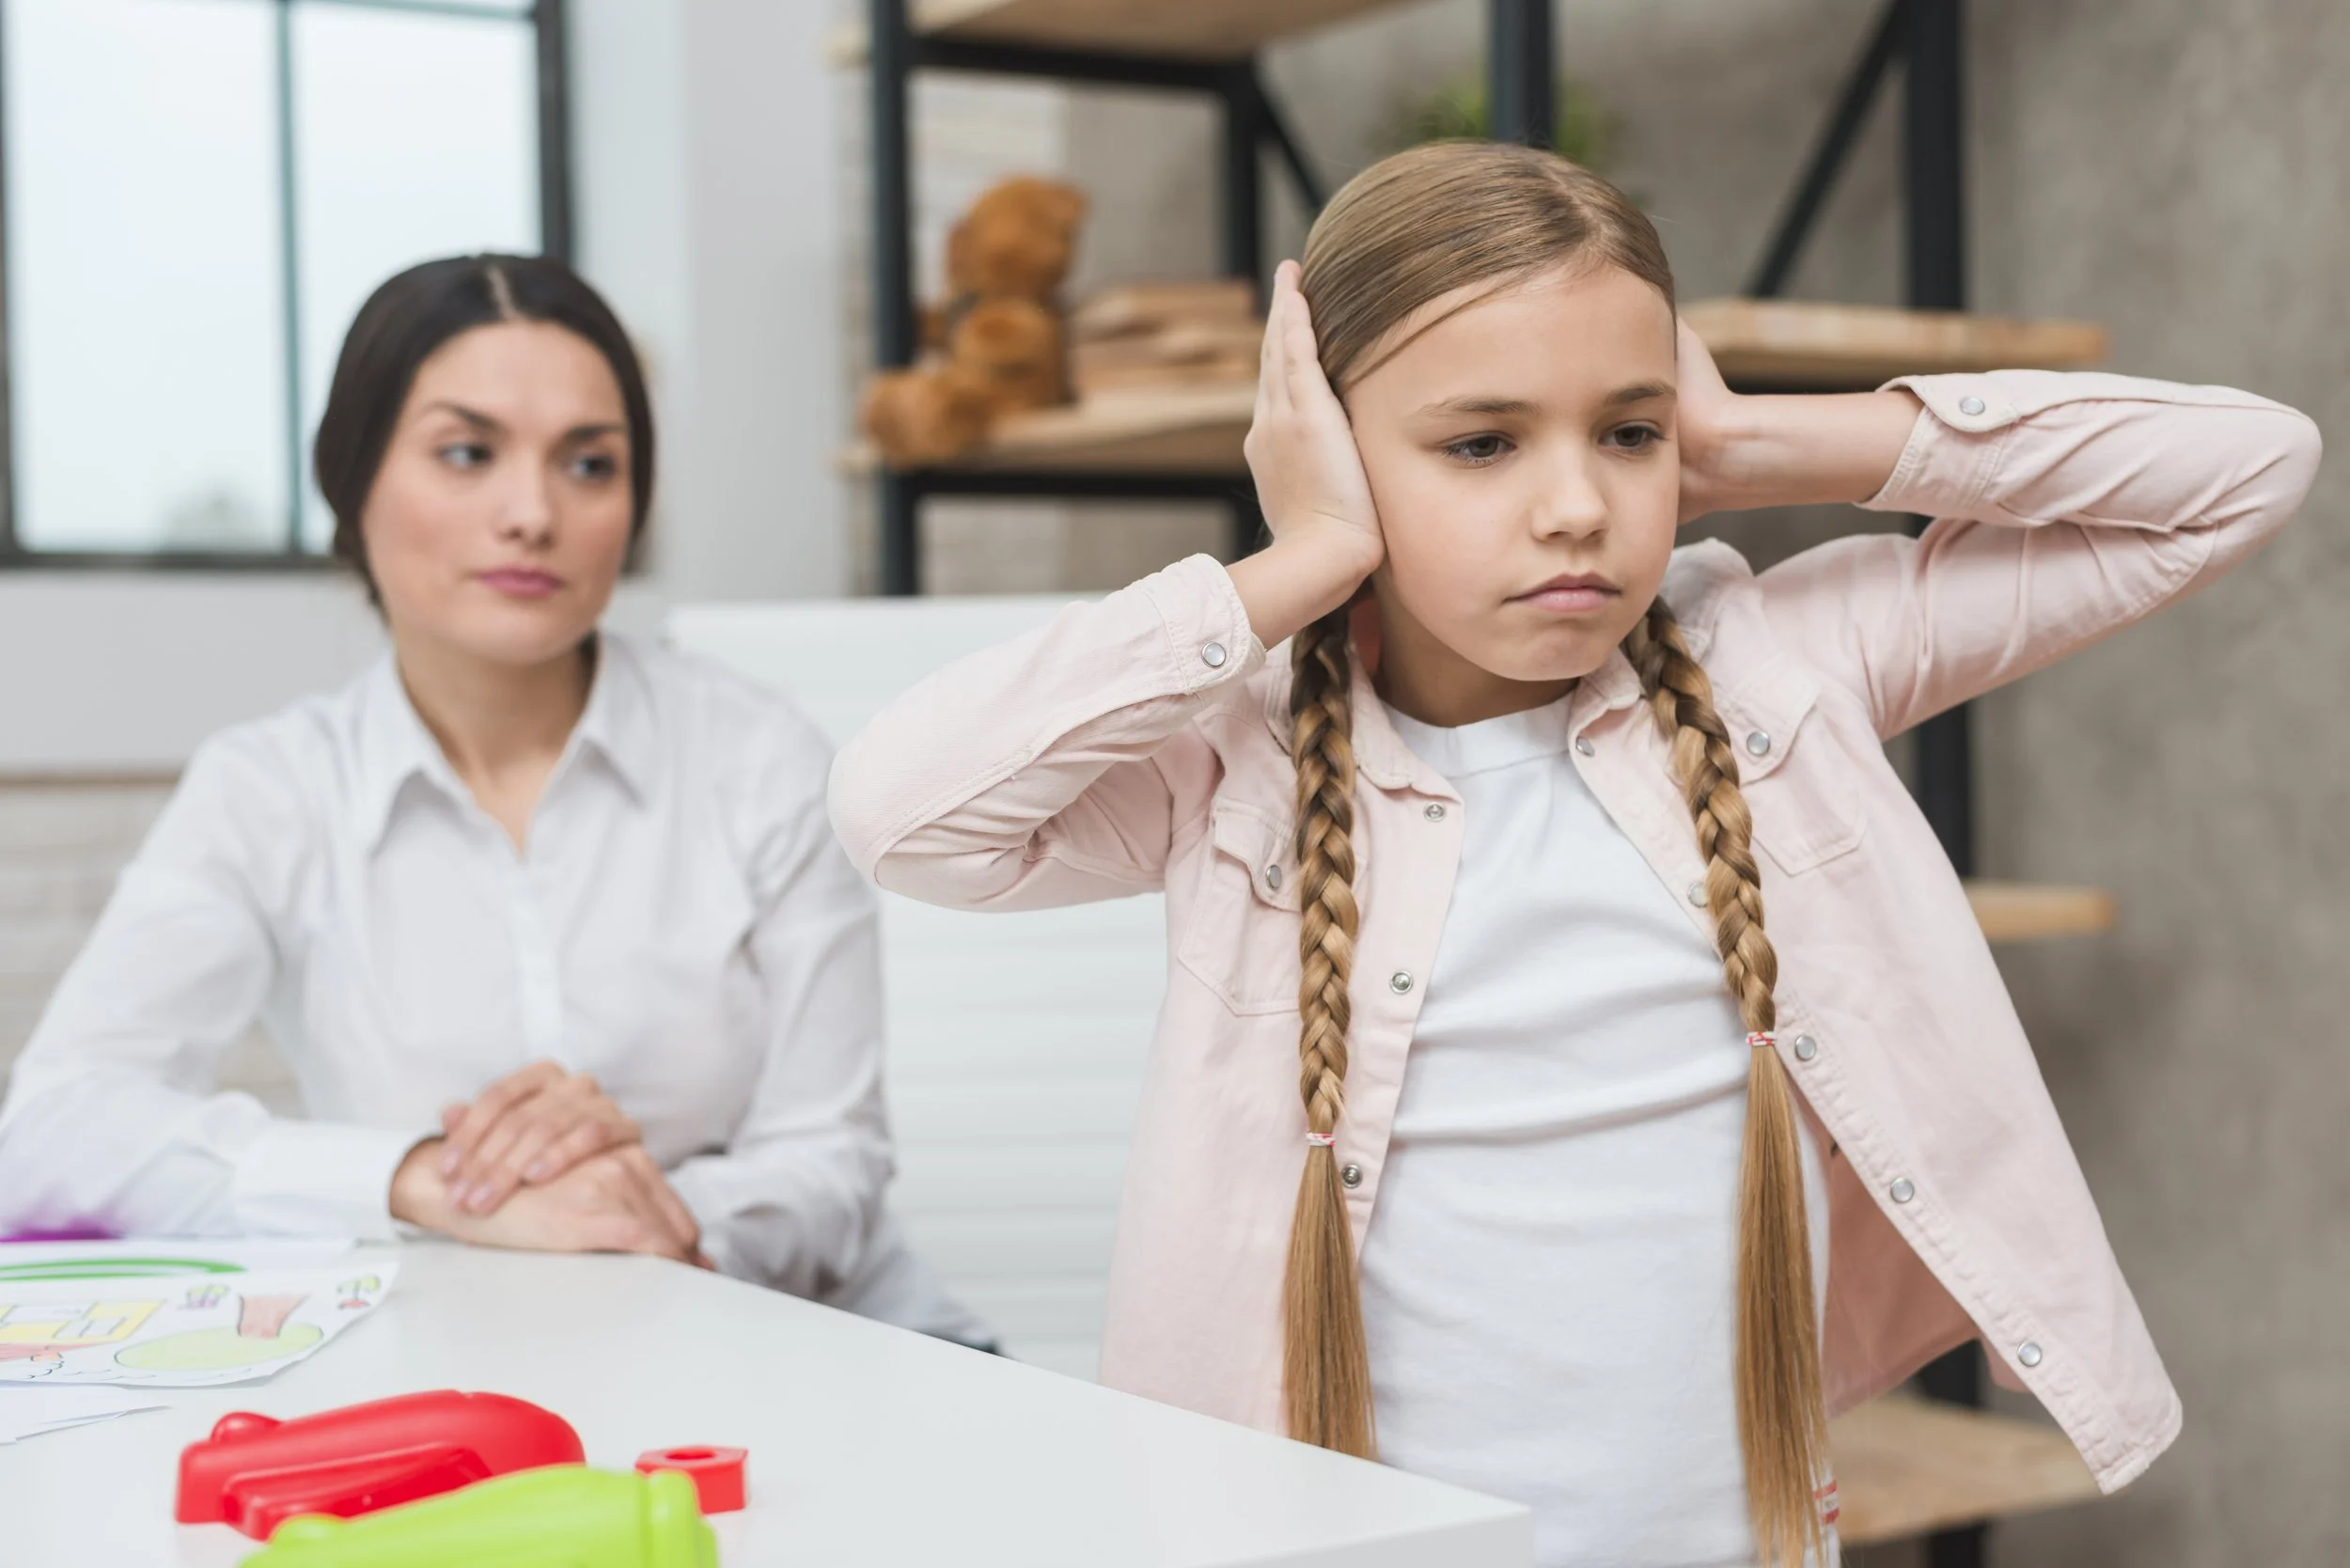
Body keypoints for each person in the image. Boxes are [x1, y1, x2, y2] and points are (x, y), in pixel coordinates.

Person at [825, 142, 2322, 1564]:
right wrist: (1294, 564)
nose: (1576, 507)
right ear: (1333, 450)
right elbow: (904, 810)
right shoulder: (1235, 762)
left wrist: (1757, 437)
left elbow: (2246, 468)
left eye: (1627, 431)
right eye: (1481, 443)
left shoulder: (1777, 667)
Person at [0, 254, 986, 1346]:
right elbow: (53, 1130)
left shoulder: (761, 760)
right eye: (467, 453)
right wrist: (421, 1179)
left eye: (590, 464)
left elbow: (832, 1162)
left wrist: (625, 1219)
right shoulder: (271, 790)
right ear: (352, 477)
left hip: (828, 1355)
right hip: (483, 1381)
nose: (531, 513)